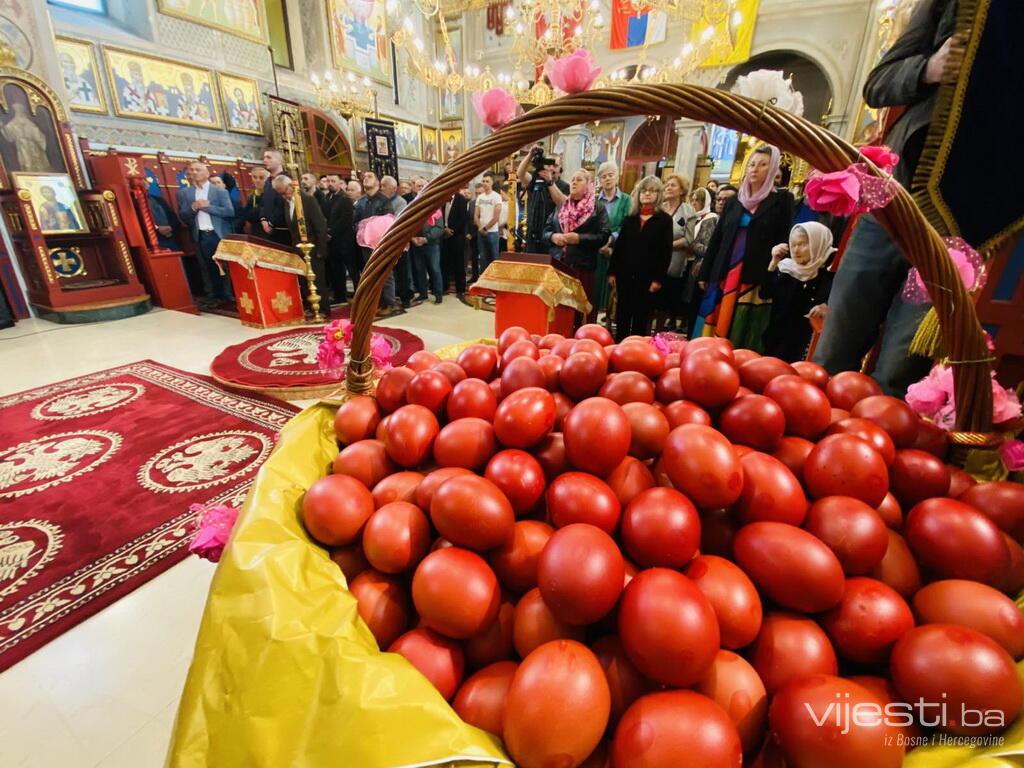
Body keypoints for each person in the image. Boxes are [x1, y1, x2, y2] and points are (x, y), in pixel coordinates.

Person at [814, 0, 963, 396]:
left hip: (960, 222)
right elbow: (878, 84)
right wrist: (928, 68)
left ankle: (875, 433)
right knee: (834, 350)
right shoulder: (952, 6)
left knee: (901, 368)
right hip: (894, 199)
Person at [697, 146, 794, 352]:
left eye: (762, 164)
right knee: (717, 319)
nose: (755, 169)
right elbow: (717, 239)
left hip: (754, 273)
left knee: (743, 325)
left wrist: (774, 266)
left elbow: (784, 238)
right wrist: (705, 272)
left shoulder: (781, 200)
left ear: (773, 169)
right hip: (725, 271)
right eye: (752, 164)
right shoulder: (735, 201)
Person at [608, 176, 673, 341]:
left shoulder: (665, 220)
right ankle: (620, 346)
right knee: (622, 315)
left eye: (652, 191)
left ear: (659, 194)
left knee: (641, 316)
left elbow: (665, 253)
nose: (647, 194)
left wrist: (658, 279)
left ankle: (637, 348)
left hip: (648, 277)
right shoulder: (630, 219)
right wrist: (612, 272)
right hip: (625, 274)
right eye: (643, 191)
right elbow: (619, 248)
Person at [761, 222, 836, 363]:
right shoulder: (786, 268)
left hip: (804, 347)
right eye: (794, 245)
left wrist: (827, 306)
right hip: (776, 341)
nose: (796, 250)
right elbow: (765, 293)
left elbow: (835, 305)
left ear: (817, 243)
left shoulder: (828, 276)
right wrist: (774, 262)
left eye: (802, 244)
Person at [543, 169, 610, 323]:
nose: (573, 182)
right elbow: (545, 231)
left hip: (584, 267)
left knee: (582, 310)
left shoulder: (597, 208)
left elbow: (604, 235)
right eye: (572, 179)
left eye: (579, 180)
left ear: (589, 184)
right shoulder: (562, 206)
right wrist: (553, 237)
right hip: (560, 265)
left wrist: (579, 238)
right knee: (561, 309)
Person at [177, 161, 234, 306]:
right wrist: (194, 208)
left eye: (198, 169)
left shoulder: (219, 191)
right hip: (200, 235)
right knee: (206, 266)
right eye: (191, 170)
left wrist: (207, 207)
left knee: (223, 265)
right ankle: (212, 294)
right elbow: (183, 215)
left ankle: (227, 294)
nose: (194, 172)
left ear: (207, 173)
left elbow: (229, 212)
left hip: (218, 234)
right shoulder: (184, 193)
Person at [272, 174, 329, 309]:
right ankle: (311, 307)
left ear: (291, 186)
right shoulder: (287, 203)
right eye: (280, 194)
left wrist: (321, 250)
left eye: (284, 192)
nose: (283, 196)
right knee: (304, 281)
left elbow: (320, 226)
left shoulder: (308, 200)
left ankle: (322, 309)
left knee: (317, 281)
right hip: (298, 249)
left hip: (313, 248)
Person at [354, 172, 402, 317]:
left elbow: (388, 222)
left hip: (380, 244)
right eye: (364, 177)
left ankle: (390, 303)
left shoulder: (383, 200)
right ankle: (378, 303)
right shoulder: (360, 201)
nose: (366, 178)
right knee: (371, 275)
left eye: (370, 177)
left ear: (377, 182)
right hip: (365, 244)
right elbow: (355, 221)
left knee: (385, 274)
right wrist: (361, 231)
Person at [658, 174, 697, 331]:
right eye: (667, 185)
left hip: (674, 261)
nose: (668, 187)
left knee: (665, 300)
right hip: (655, 260)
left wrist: (667, 246)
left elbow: (688, 239)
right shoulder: (659, 208)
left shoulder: (689, 211)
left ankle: (659, 331)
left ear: (682, 190)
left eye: (673, 185)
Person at [595, 161, 632, 322]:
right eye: (603, 176)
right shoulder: (594, 200)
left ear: (617, 177)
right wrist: (600, 243)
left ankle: (609, 322)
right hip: (597, 249)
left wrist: (611, 240)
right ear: (599, 180)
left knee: (613, 290)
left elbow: (627, 225)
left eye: (611, 175)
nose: (607, 179)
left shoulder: (626, 200)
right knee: (595, 289)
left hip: (617, 250)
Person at [517, 145, 568, 254]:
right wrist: (530, 155)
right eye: (548, 164)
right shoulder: (535, 179)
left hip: (552, 235)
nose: (551, 168)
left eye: (555, 165)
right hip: (533, 231)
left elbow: (562, 204)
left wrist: (550, 182)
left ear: (560, 169)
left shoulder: (564, 186)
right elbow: (520, 173)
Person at [687, 186, 719, 336]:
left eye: (697, 200)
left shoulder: (710, 219)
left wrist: (690, 243)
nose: (694, 203)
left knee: (695, 305)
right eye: (692, 200)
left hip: (699, 268)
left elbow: (707, 248)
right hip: (690, 264)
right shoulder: (695, 218)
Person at [322, 173, 355, 304]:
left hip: (344, 241)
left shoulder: (345, 198)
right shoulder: (327, 198)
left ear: (339, 183)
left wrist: (331, 232)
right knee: (335, 270)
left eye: (333, 181)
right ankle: (339, 295)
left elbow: (345, 220)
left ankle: (359, 294)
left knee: (351, 270)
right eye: (328, 181)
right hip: (331, 242)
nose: (330, 183)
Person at [410, 198, 444, 304]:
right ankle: (423, 293)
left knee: (435, 269)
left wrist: (426, 238)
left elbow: (439, 228)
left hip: (431, 244)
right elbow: (409, 225)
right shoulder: (413, 209)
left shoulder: (436, 209)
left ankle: (438, 294)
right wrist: (412, 238)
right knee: (420, 270)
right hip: (416, 243)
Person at [441, 186, 470, 302]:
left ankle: (460, 290)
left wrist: (451, 231)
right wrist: (444, 229)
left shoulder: (461, 199)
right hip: (444, 235)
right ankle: (444, 287)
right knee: (444, 262)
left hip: (457, 236)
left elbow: (463, 219)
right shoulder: (443, 199)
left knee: (459, 263)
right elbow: (440, 216)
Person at [258, 149, 290, 247]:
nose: (265, 160)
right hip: (268, 230)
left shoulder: (286, 179)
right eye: (264, 158)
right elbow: (263, 202)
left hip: (283, 230)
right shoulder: (267, 181)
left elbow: (283, 204)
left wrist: (271, 223)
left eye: (269, 157)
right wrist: (263, 219)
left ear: (279, 160)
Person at [474, 173, 503, 270]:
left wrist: (485, 228)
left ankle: (495, 278)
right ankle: (483, 277)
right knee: (482, 257)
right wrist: (480, 228)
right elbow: (476, 215)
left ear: (492, 182)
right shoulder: (480, 197)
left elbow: (496, 217)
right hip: (481, 231)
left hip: (492, 232)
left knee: (494, 257)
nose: (485, 183)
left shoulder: (496, 196)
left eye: (487, 181)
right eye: (483, 181)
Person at [466, 181, 483, 281]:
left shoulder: (486, 203)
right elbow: (468, 219)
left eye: (480, 193)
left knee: (484, 257)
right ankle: (475, 276)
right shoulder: (472, 203)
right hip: (472, 234)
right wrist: (468, 233)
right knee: (474, 257)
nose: (478, 195)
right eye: (476, 193)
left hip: (483, 233)